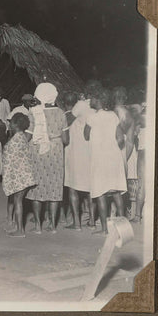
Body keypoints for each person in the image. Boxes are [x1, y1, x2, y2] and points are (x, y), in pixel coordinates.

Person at [26, 83, 68, 234]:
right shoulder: (61, 113)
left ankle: (37, 227)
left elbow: (28, 135)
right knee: (54, 187)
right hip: (55, 151)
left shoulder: (34, 112)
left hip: (37, 151)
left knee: (37, 188)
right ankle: (52, 226)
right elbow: (66, 140)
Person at [84, 87, 127, 235]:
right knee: (116, 193)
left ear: (99, 101)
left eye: (93, 98)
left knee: (101, 194)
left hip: (99, 159)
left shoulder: (92, 118)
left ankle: (104, 229)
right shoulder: (114, 116)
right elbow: (120, 138)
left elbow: (86, 135)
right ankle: (122, 229)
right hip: (114, 157)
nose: (91, 100)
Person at [64, 94, 96, 231]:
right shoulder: (96, 107)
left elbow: (66, 120)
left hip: (76, 153)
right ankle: (92, 222)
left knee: (73, 187)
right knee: (91, 187)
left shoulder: (81, 105)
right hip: (90, 152)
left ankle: (77, 224)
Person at [2, 113, 37, 237]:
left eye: (10, 122)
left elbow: (7, 159)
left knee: (18, 201)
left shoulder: (14, 141)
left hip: (19, 177)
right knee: (19, 201)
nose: (9, 124)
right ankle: (17, 226)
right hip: (25, 176)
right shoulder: (22, 136)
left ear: (15, 125)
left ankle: (20, 231)